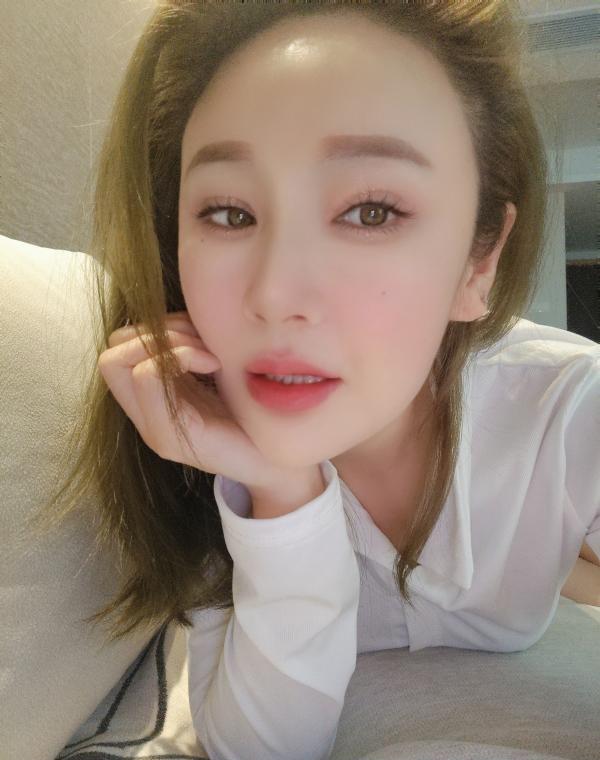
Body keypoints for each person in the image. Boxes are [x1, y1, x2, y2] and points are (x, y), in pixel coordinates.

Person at [29, 2, 599, 759]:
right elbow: (261, 748)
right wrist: (278, 488)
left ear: (479, 260)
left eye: (372, 211)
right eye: (229, 214)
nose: (273, 295)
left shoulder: (571, 408)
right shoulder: (199, 438)